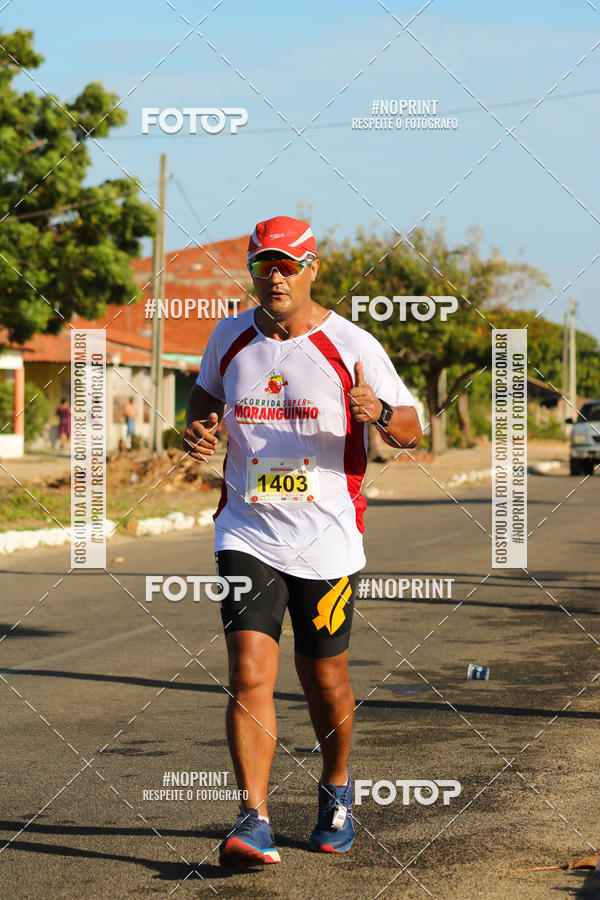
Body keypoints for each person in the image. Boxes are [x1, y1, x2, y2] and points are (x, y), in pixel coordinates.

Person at [184, 215, 422, 867]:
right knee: (249, 672)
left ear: (313, 266)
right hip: (246, 531)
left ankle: (337, 787)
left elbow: (412, 427)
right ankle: (252, 817)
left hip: (327, 540)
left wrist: (378, 415)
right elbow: (203, 398)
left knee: (326, 680)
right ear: (254, 270)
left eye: (289, 264)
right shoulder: (228, 337)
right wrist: (200, 432)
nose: (277, 276)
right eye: (265, 264)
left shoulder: (352, 344)